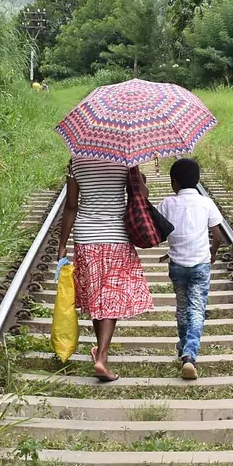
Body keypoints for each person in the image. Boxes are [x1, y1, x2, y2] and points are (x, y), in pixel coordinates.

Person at [56, 155, 154, 381]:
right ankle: (102, 356)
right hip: (116, 236)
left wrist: (62, 245)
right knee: (110, 297)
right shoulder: (125, 160)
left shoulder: (76, 162)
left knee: (96, 296)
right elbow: (143, 197)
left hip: (86, 237)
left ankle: (99, 351)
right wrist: (136, 171)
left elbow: (71, 206)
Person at [156, 157, 226, 380]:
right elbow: (218, 235)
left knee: (182, 306)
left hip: (177, 265)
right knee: (196, 309)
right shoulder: (206, 203)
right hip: (200, 265)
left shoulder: (167, 204)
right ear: (197, 180)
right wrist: (212, 252)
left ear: (174, 182)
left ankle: (183, 348)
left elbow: (158, 230)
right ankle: (189, 355)